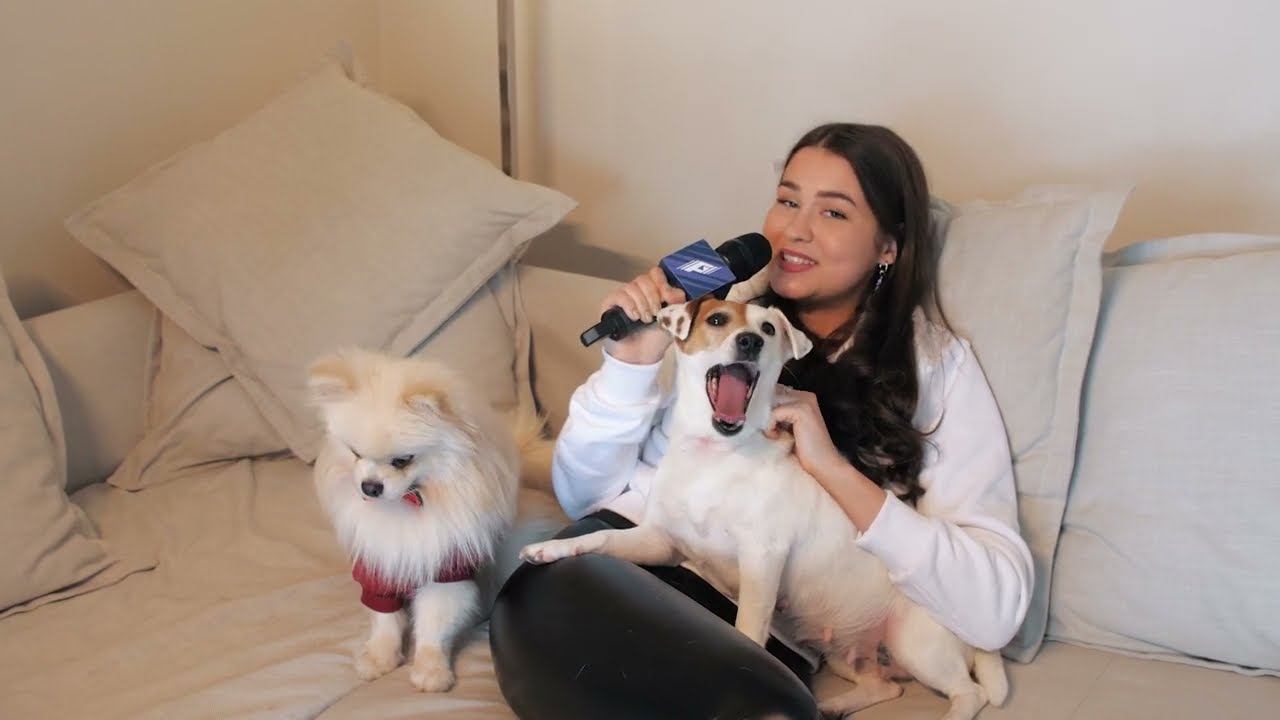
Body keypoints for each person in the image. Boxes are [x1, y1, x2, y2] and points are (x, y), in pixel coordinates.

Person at [490, 123, 1033, 720]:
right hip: (632, 566)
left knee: (718, 697)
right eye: (787, 201)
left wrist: (830, 469)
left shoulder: (935, 365)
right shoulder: (712, 309)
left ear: (888, 246)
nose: (796, 229)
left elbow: (994, 611)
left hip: (760, 619)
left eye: (833, 212)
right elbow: (584, 497)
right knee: (535, 605)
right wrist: (631, 362)